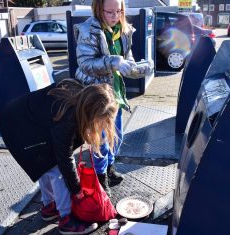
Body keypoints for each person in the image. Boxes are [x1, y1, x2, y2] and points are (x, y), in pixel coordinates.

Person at [0, 79, 118, 235]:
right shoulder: (67, 117)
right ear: (89, 113)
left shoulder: (80, 96)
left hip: (21, 120)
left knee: (45, 165)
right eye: (100, 121)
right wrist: (77, 190)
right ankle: (66, 220)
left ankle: (49, 206)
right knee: (56, 170)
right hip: (17, 127)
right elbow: (65, 158)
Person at [74, 0, 152, 196]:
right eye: (109, 12)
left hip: (115, 93)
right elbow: (85, 63)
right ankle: (100, 179)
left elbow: (128, 59)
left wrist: (137, 68)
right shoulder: (88, 30)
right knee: (100, 139)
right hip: (97, 95)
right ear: (98, 9)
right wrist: (114, 62)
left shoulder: (124, 30)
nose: (115, 16)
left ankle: (109, 168)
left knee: (116, 136)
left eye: (119, 11)